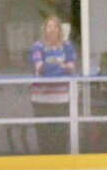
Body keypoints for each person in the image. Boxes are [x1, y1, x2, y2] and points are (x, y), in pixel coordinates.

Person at [30, 15, 76, 154]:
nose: (52, 29)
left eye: (55, 26)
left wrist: (51, 67)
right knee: (44, 135)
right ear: (45, 29)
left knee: (61, 134)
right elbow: (40, 68)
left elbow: (71, 68)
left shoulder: (67, 46)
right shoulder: (38, 46)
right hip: (41, 100)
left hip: (62, 99)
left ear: (59, 30)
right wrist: (60, 66)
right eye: (49, 26)